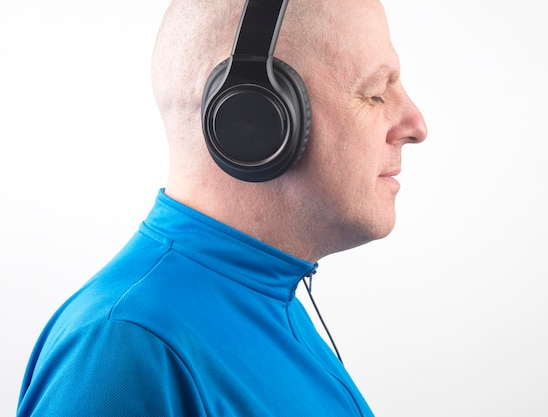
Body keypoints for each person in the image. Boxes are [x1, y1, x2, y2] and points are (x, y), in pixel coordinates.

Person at [17, 0, 427, 415]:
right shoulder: (125, 350)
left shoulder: (266, 297)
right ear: (259, 117)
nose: (416, 125)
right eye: (375, 94)